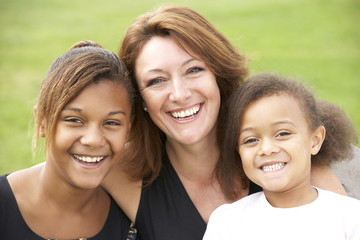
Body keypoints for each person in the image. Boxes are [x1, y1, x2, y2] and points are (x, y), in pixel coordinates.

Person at [102, 5, 349, 240]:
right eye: (156, 81)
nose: (179, 94)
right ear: (140, 98)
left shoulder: (284, 157)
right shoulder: (122, 171)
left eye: (193, 70)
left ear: (218, 74)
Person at [0, 40, 135, 239]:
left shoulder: (133, 215)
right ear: (42, 121)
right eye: (74, 120)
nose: (94, 140)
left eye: (112, 122)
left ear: (129, 130)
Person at [203, 73, 360, 240]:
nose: (266, 149)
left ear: (315, 141)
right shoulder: (227, 222)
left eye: (282, 133)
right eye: (251, 140)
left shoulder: (350, 218)